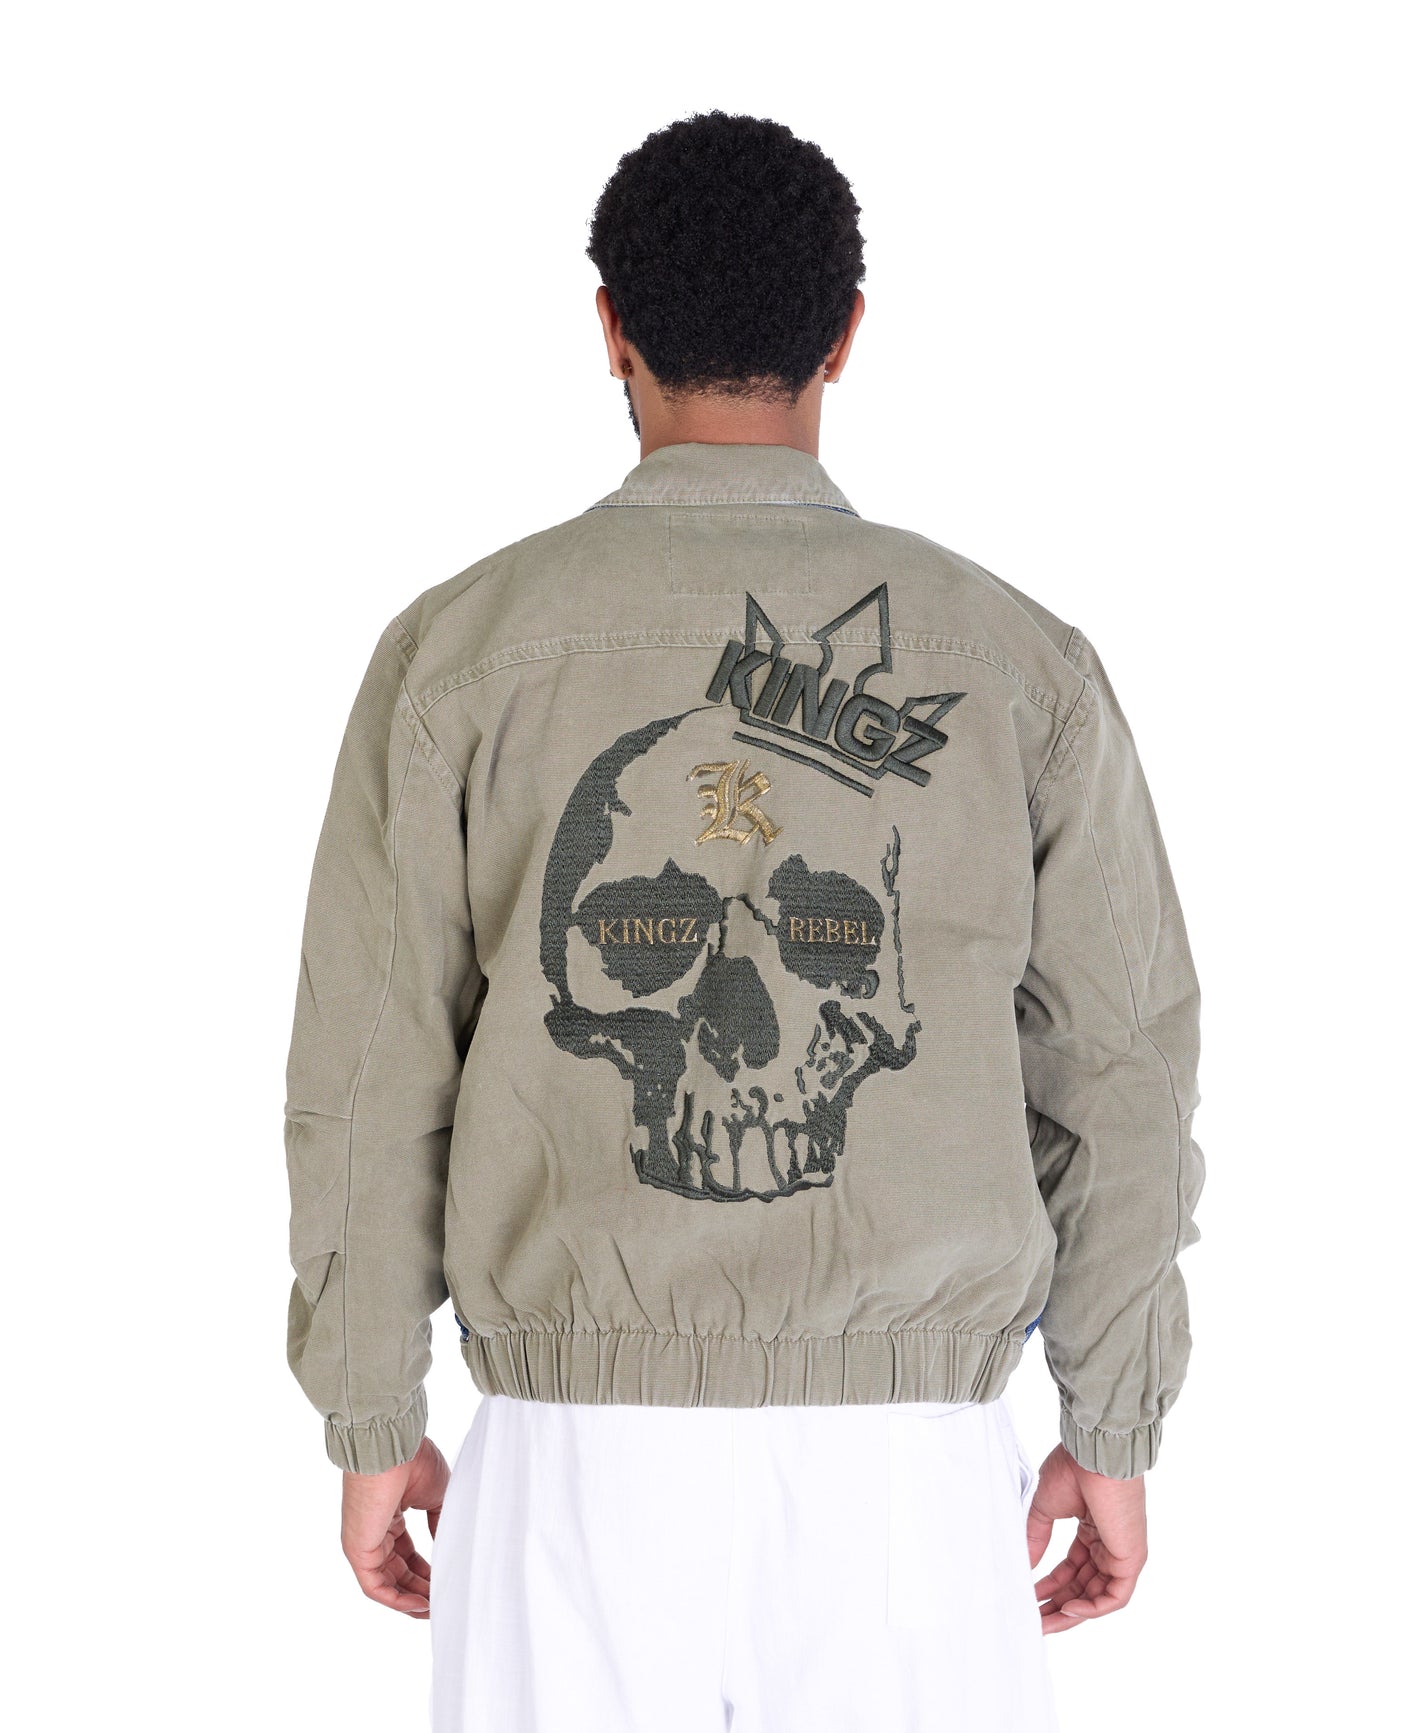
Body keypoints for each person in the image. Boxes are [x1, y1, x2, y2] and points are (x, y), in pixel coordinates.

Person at [284, 110, 1204, 1733]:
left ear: (608, 329)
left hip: (568, 1471)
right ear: (845, 334)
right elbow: (1119, 1073)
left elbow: (367, 1070)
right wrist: (1109, 1426)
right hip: (915, 1486)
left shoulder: (459, 651)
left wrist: (371, 1415)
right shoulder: (1018, 663)